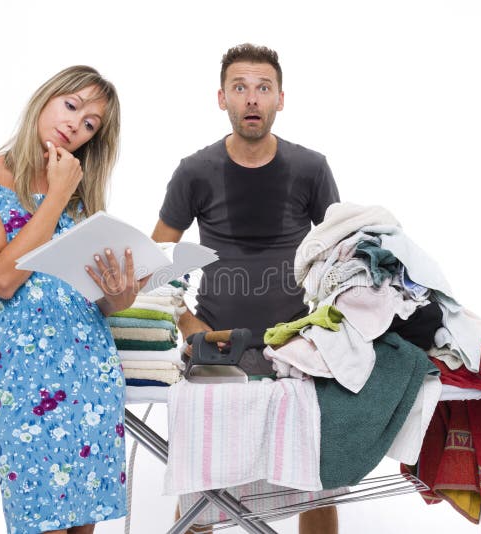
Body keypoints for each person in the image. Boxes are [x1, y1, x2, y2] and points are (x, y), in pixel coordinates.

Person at [0, 66, 146, 534]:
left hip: (93, 380)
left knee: (82, 529)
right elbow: (0, 277)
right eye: (72, 105)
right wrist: (55, 196)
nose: (77, 123)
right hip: (25, 385)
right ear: (46, 97)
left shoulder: (81, 201)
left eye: (91, 123)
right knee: (43, 524)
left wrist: (119, 297)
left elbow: (93, 301)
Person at [152, 44, 340, 534]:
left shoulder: (312, 168)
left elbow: (341, 256)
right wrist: (188, 324)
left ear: (281, 98)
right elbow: (154, 265)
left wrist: (321, 330)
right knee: (201, 479)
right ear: (221, 98)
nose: (251, 99)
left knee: (317, 477)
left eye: (262, 88)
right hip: (216, 345)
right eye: (240, 88)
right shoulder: (194, 171)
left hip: (298, 348)